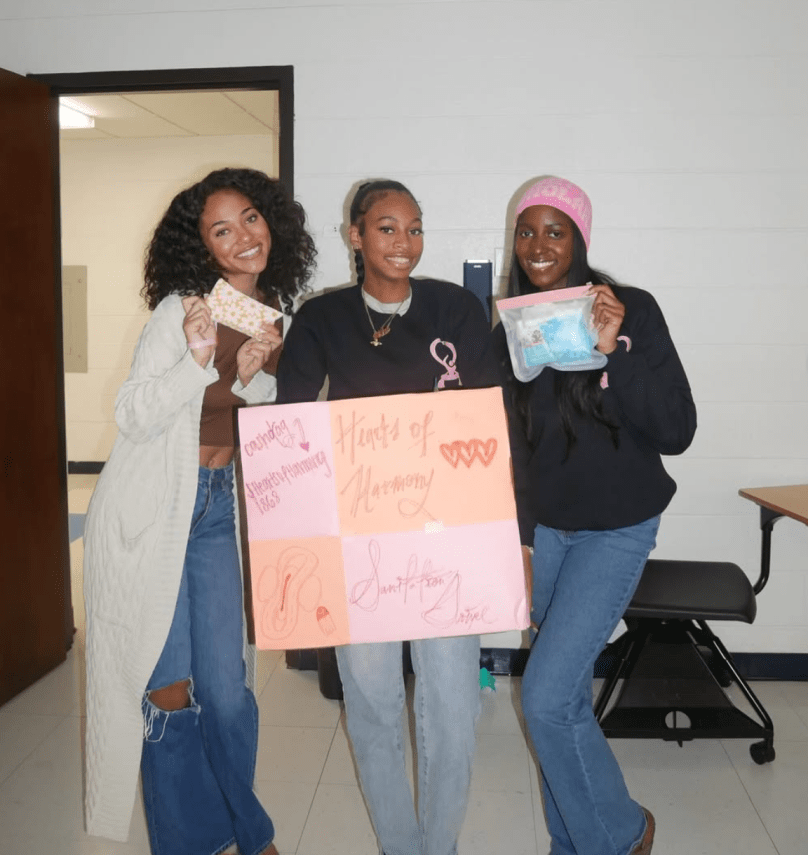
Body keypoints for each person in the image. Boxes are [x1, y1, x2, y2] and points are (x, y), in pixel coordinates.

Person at [83, 167, 316, 855]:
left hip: (216, 510)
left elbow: (259, 421)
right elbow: (131, 412)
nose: (243, 236)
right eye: (222, 229)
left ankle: (239, 823)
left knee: (231, 690)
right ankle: (199, 842)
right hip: (152, 509)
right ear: (202, 246)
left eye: (250, 217)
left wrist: (256, 374)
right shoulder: (181, 311)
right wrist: (196, 359)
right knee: (171, 692)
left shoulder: (276, 316)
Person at [275, 179, 499, 855]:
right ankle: (402, 846)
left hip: (445, 542)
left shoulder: (457, 309)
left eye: (415, 228)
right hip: (358, 543)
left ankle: (440, 846)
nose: (405, 243)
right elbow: (292, 422)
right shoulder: (321, 318)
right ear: (356, 235)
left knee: (452, 713)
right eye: (387, 228)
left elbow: (487, 420)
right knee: (372, 707)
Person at [494, 176, 696, 855]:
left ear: (579, 236)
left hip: (616, 529)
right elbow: (512, 452)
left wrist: (613, 350)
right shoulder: (514, 328)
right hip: (548, 533)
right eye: (527, 230)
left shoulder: (629, 308)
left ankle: (621, 833)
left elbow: (677, 429)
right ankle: (572, 841)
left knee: (545, 701)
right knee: (565, 700)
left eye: (555, 230)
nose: (539, 245)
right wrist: (520, 545)